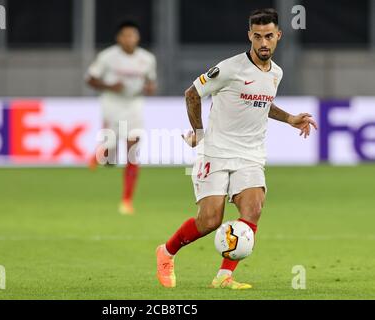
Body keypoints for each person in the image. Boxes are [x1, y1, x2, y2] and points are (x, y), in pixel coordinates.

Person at [156, 8, 318, 289]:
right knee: (209, 220)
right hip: (216, 151)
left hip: (251, 154)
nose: (263, 43)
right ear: (250, 37)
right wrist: (198, 132)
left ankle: (224, 276)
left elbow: (262, 102)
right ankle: (166, 252)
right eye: (257, 37)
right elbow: (192, 93)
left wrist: (290, 119)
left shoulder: (276, 73)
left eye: (269, 36)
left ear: (278, 36)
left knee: (253, 209)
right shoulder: (229, 68)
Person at [86, 21, 157, 215]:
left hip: (134, 105)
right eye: (125, 35)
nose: (129, 39)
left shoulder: (147, 59)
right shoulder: (107, 57)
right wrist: (110, 86)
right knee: (110, 158)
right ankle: (101, 153)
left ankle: (126, 200)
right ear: (119, 38)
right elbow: (90, 79)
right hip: (112, 104)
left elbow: (151, 82)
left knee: (133, 150)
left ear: (137, 38)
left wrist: (150, 88)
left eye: (132, 35)